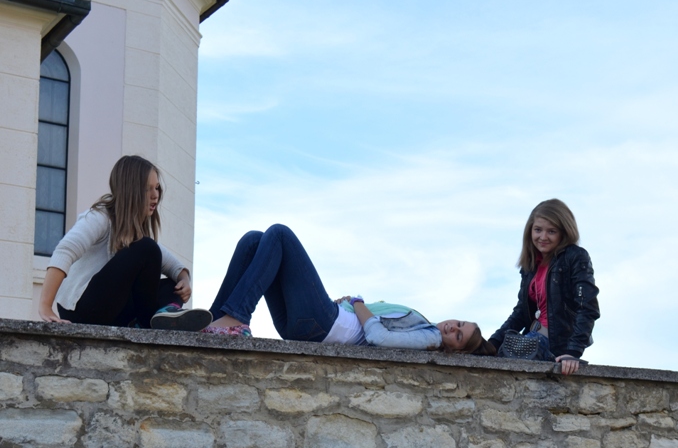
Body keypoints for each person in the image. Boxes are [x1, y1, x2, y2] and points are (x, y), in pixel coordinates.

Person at [202, 224, 494, 354]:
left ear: (456, 351)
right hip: (318, 322)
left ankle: (236, 320)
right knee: (254, 240)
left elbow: (379, 337)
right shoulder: (425, 325)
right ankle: (213, 321)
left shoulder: (430, 338)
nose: (452, 328)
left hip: (325, 325)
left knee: (279, 234)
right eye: (459, 323)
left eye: (458, 336)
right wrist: (349, 304)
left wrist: (356, 303)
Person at [38, 155, 211, 331]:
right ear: (131, 190)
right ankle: (148, 321)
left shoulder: (136, 234)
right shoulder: (100, 217)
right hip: (81, 310)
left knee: (172, 285)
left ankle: (162, 314)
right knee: (148, 248)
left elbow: (175, 267)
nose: (155, 196)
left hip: (112, 312)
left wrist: (184, 280)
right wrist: (45, 306)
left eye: (157, 188)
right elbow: (65, 251)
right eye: (148, 189)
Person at [489, 199, 600, 375]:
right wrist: (493, 342)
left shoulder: (575, 257)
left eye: (552, 231)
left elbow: (587, 307)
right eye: (538, 230)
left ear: (564, 232)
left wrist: (573, 352)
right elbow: (521, 312)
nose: (543, 237)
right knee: (485, 355)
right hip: (533, 338)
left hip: (556, 344)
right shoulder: (531, 265)